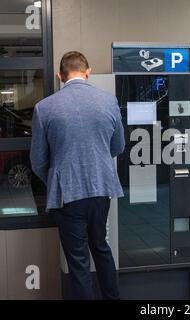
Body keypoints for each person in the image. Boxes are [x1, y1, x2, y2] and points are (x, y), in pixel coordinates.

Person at [30, 51, 125, 300]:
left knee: (78, 260)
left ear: (60, 76)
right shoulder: (109, 101)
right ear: (88, 71)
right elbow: (118, 147)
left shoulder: (44, 108)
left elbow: (38, 161)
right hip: (101, 189)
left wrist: (55, 180)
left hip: (67, 194)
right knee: (101, 248)